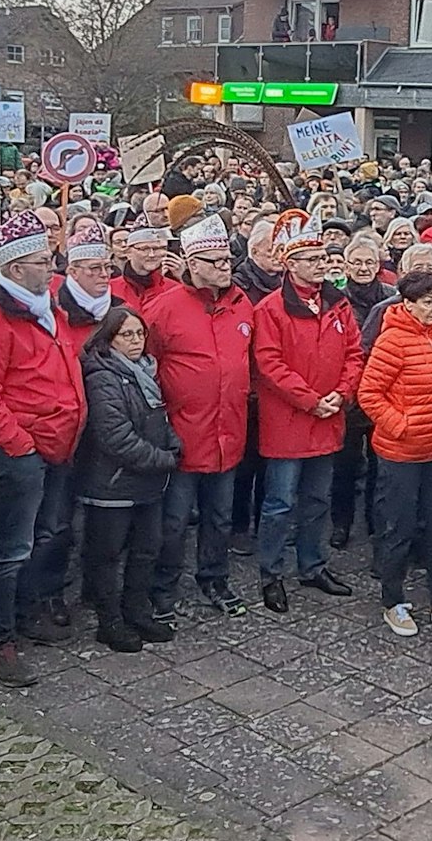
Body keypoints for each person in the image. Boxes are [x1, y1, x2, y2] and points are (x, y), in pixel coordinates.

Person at [0, 210, 87, 687]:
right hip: (23, 449)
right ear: (13, 269)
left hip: (57, 441)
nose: (53, 266)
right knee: (12, 547)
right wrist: (19, 445)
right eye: (41, 260)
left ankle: (29, 611)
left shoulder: (45, 301)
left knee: (50, 533)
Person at [141, 215, 254, 622]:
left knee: (220, 517)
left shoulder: (242, 303)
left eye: (227, 260)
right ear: (191, 263)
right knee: (173, 522)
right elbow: (144, 363)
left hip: (228, 432)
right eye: (215, 261)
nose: (225, 267)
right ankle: (163, 588)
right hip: (183, 435)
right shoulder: (163, 308)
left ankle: (214, 578)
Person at [251, 210, 361, 613]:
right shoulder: (270, 309)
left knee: (317, 500)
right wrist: (312, 399)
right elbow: (269, 364)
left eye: (323, 257)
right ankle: (271, 572)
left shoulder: (338, 304)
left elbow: (354, 353)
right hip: (289, 422)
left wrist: (341, 393)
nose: (323, 264)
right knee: (279, 503)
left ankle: (313, 565)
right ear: (290, 264)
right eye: (313, 259)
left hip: (327, 417)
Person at [361, 269, 432, 637]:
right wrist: (401, 426)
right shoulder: (392, 341)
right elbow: (369, 394)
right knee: (398, 529)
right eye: (428, 302)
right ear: (408, 304)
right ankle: (393, 601)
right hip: (400, 454)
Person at [74, 307, 181, 652]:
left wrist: (173, 444)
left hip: (147, 483)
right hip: (113, 483)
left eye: (140, 334)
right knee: (107, 555)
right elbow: (115, 436)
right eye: (127, 335)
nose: (136, 341)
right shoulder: (102, 375)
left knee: (147, 549)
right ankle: (110, 621)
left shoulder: (147, 369)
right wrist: (163, 459)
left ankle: (138, 610)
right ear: (110, 338)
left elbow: (159, 417)